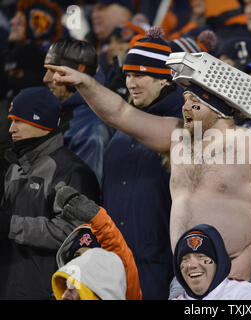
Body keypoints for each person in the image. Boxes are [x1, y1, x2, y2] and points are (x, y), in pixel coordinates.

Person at [45, 49, 251, 300]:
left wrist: (249, 258)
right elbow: (120, 113)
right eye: (185, 99)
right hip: (184, 275)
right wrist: (84, 82)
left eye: (194, 102)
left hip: (237, 272)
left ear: (218, 106)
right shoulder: (177, 138)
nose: (185, 107)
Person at [101, 27, 184, 300]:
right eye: (127, 75)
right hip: (116, 260)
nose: (131, 83)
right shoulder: (122, 129)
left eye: (140, 75)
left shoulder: (185, 125)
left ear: (164, 79)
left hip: (161, 265)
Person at [0, 87, 99, 299]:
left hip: (50, 289)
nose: (11, 129)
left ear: (41, 122)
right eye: (11, 121)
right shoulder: (14, 168)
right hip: (11, 286)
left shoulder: (72, 171)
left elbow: (74, 233)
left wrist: (11, 225)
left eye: (18, 121)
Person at [43, 38, 114, 185]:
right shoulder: (64, 111)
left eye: (54, 71)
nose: (46, 78)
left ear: (78, 71)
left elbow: (86, 194)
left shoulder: (91, 126)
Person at [51, 185, 142, 300]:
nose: (82, 261)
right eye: (77, 256)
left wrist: (99, 219)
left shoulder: (118, 292)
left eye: (90, 256)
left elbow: (120, 258)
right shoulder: (64, 293)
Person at [172, 224, 251, 300]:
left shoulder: (244, 292)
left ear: (219, 264)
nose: (191, 265)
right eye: (185, 259)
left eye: (201, 256)